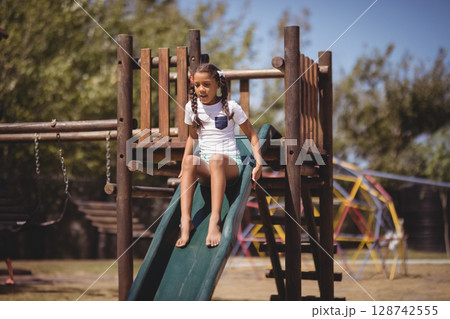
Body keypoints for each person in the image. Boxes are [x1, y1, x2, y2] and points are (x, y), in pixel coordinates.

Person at [176, 63, 263, 248]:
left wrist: (259, 164)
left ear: (217, 85)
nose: (201, 89)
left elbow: (253, 136)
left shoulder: (230, 107)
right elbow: (192, 138)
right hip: (206, 168)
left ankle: (215, 221)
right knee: (191, 161)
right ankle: (185, 221)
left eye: (206, 84)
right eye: (197, 85)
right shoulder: (191, 108)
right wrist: (185, 164)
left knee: (216, 159)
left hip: (229, 165)